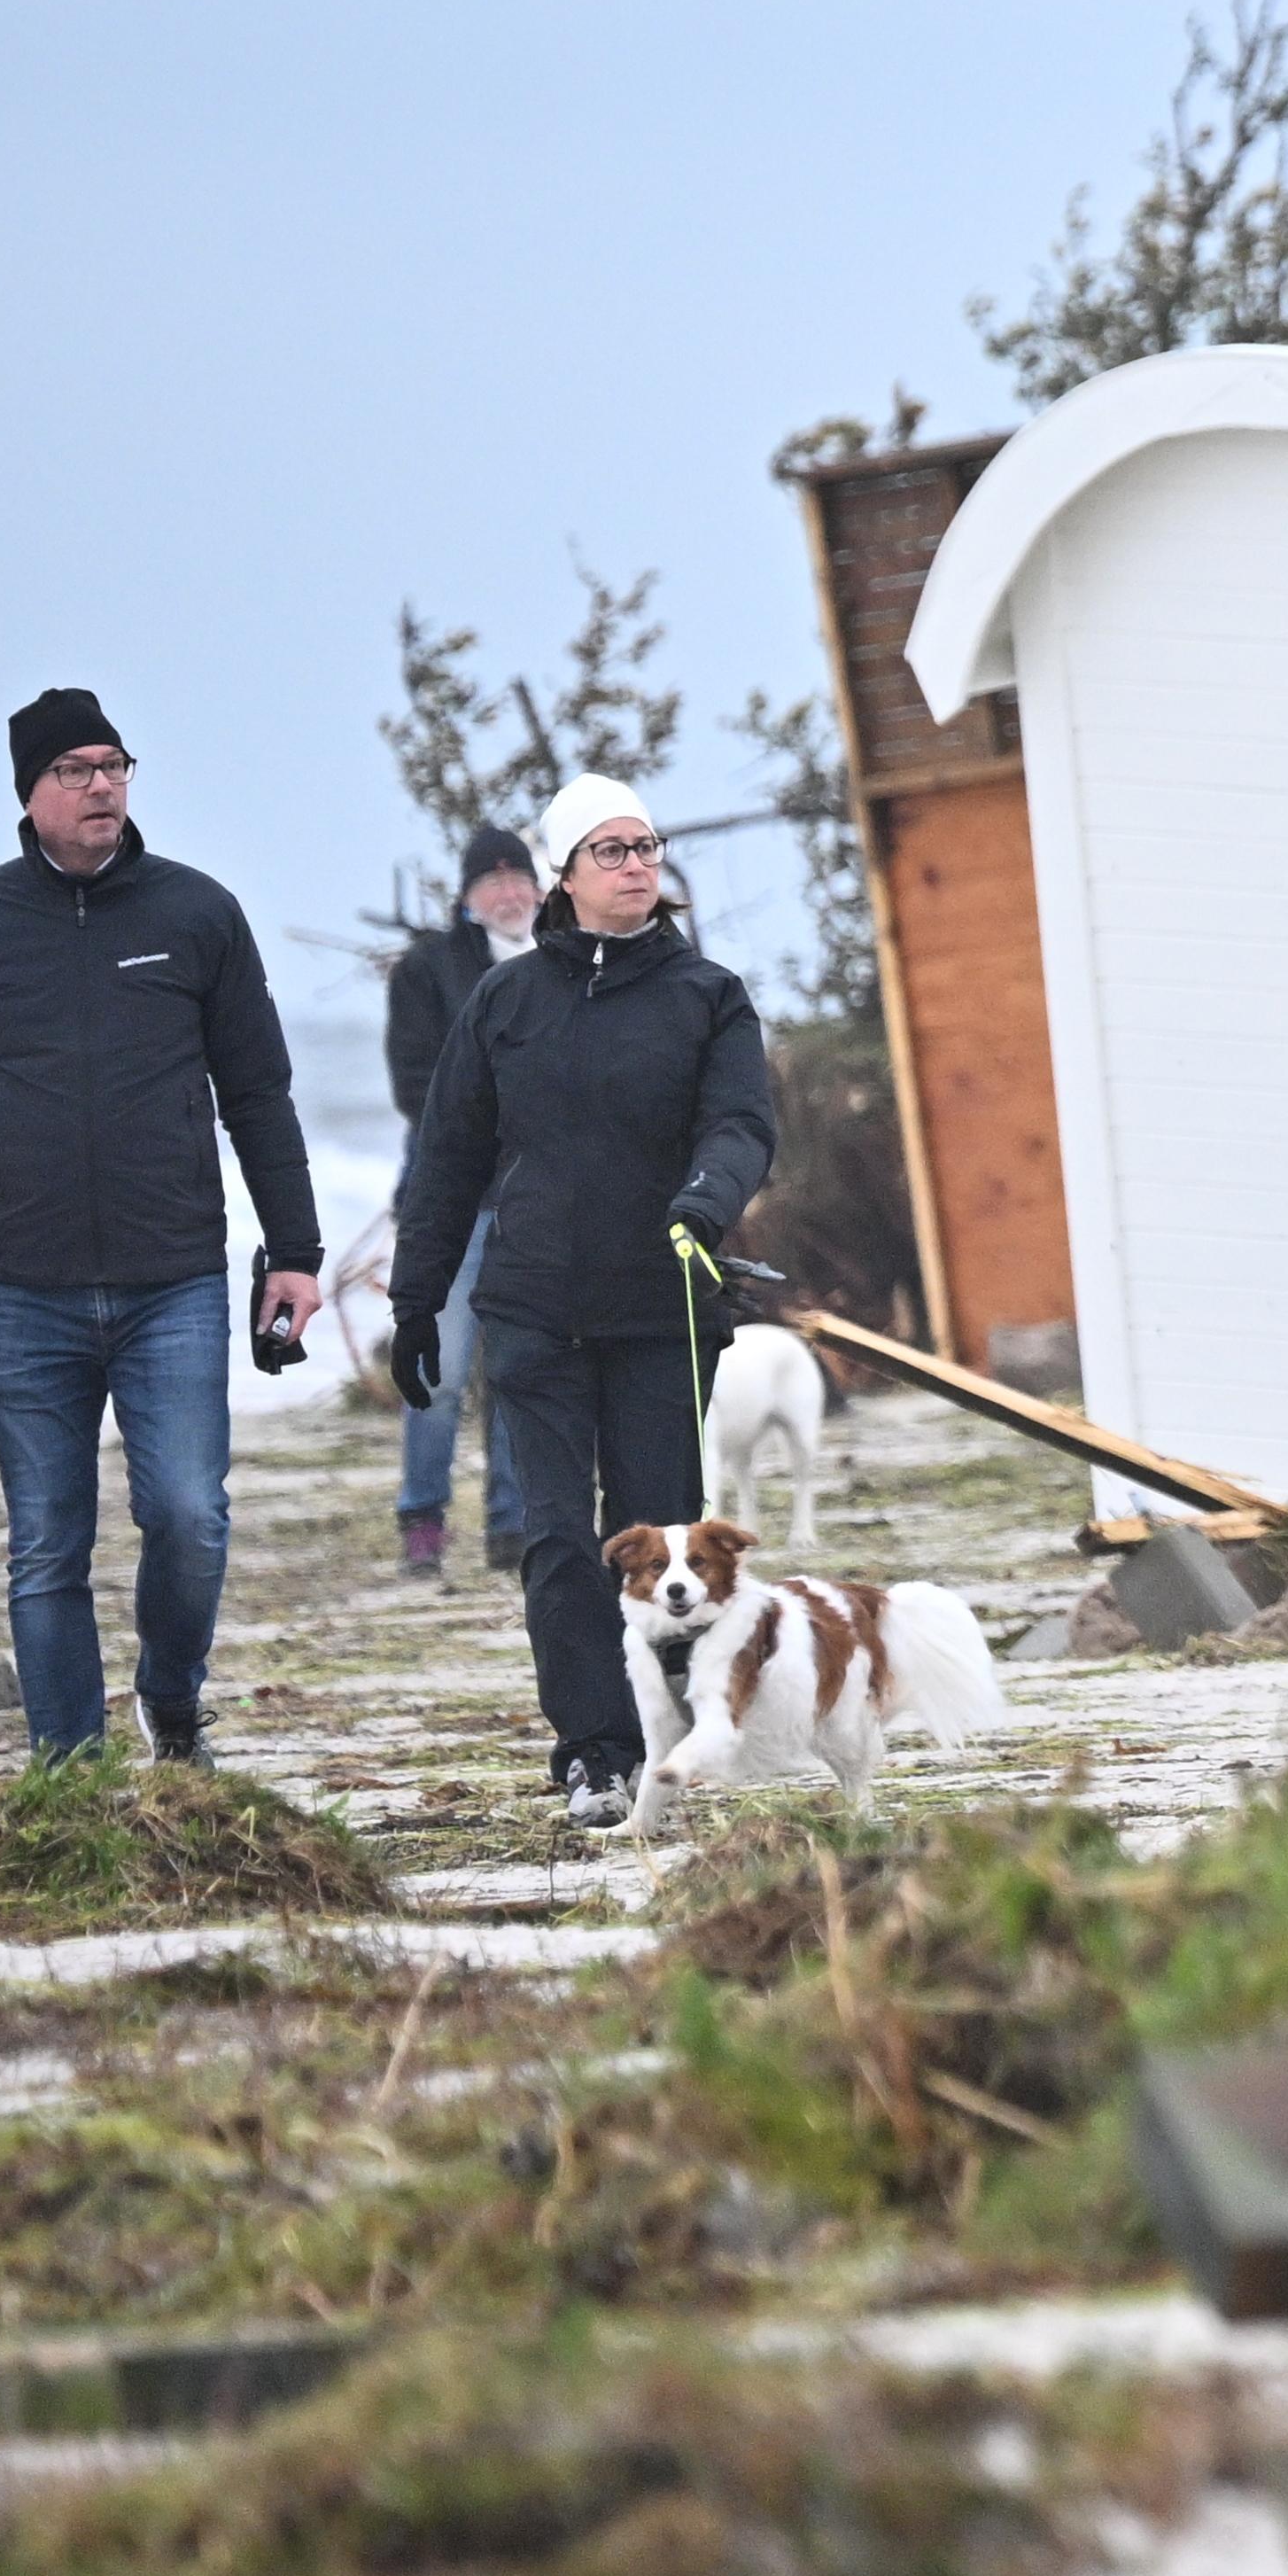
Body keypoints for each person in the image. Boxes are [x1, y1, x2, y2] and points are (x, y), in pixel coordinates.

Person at [0, 688, 330, 1767]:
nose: (103, 784)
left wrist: (295, 1253)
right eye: (76, 768)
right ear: (29, 791)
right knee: (45, 1545)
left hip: (174, 1281)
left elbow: (259, 1093)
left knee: (189, 1516)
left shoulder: (197, 914)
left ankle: (171, 1697)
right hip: (24, 1291)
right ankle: (66, 1775)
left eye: (115, 763)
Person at [382, 774, 775, 1835]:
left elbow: (742, 1123)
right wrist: (417, 1300)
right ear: (564, 874)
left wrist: (707, 1195)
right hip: (535, 1309)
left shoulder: (707, 996)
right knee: (557, 1540)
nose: (638, 862)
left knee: (661, 1550)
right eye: (611, 848)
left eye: (646, 844)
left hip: (662, 1309)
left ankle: (664, 1745)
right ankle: (593, 1755)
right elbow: (449, 1159)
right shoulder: (504, 1003)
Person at [370, 821, 531, 1576]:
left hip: (540, 1204)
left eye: (517, 876)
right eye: (489, 880)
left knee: (521, 1370)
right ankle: (423, 1520)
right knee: (438, 1371)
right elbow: (414, 1087)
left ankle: (514, 1525)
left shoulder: (561, 963)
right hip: (452, 1205)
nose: (506, 891)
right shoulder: (429, 970)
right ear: (467, 898)